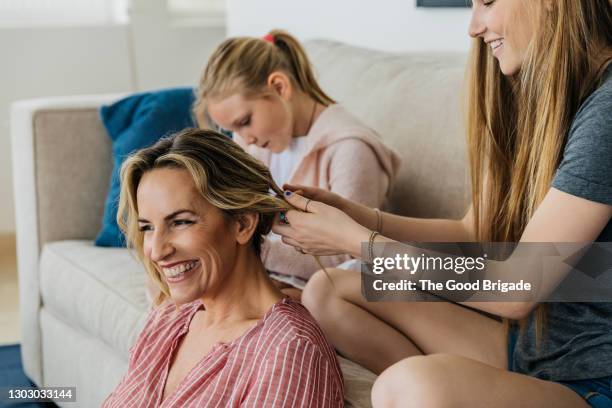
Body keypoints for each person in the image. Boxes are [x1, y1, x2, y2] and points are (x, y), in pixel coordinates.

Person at [273, 0, 612, 406]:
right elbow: (472, 232)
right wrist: (357, 217)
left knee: (411, 385)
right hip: (534, 348)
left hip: (595, 379)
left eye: (487, 3)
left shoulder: (606, 113)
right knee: (328, 291)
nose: (473, 27)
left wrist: (358, 242)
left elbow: (517, 288)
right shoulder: (549, 98)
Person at [102, 129, 344, 407]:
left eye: (181, 222)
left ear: (242, 224)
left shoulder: (288, 351)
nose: (157, 251)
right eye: (147, 228)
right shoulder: (170, 317)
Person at [193, 29, 400, 296]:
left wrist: (249, 251)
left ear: (280, 87)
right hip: (270, 274)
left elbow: (346, 254)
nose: (245, 139)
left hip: (332, 287)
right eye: (232, 130)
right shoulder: (257, 145)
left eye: (245, 122)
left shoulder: (350, 149)